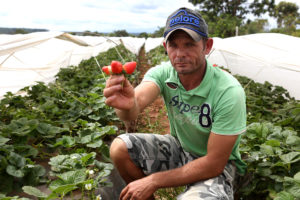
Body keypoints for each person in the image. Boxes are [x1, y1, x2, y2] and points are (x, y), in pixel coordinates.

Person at [104, 7, 247, 200]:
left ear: (207, 46)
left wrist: (153, 180)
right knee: (119, 148)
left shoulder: (228, 91)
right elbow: (135, 106)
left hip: (218, 167)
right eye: (173, 45)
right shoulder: (163, 73)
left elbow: (214, 163)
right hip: (180, 150)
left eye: (189, 44)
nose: (180, 54)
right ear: (165, 47)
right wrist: (127, 105)